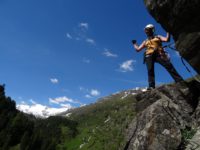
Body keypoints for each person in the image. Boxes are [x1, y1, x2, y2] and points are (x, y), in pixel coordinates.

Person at [132, 24, 183, 90]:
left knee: (168, 65)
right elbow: (138, 49)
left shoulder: (158, 37)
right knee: (150, 70)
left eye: (148, 30)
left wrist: (168, 32)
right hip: (149, 55)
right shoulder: (145, 41)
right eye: (146, 30)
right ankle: (151, 86)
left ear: (152, 30)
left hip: (159, 54)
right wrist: (134, 44)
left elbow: (167, 40)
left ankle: (179, 80)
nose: (147, 32)